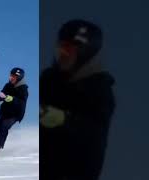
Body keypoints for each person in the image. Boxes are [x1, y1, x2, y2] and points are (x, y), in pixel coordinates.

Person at [40, 19, 116, 180]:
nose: (63, 54)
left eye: (69, 50)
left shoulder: (99, 90)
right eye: (60, 48)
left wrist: (64, 119)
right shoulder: (49, 80)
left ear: (85, 53)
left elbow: (94, 132)